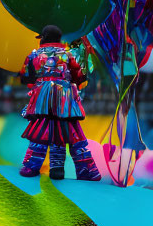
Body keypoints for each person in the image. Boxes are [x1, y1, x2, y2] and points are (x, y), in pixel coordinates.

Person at [18, 25, 100, 181]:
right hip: (65, 98)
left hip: (42, 97)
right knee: (70, 131)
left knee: (41, 129)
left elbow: (25, 76)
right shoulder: (67, 54)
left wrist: (39, 83)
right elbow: (80, 76)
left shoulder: (34, 55)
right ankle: (82, 170)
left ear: (43, 38)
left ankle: (31, 166)